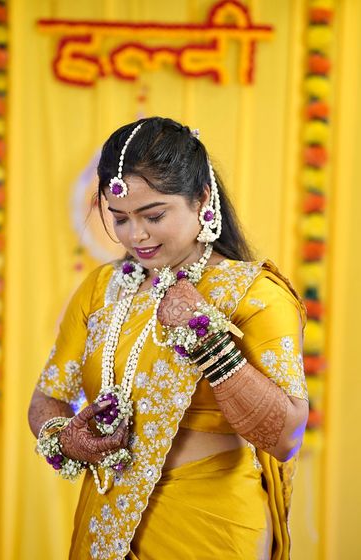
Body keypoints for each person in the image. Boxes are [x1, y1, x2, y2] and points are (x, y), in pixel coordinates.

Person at [28, 117, 308, 560]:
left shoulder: (252, 294)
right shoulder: (103, 289)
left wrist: (206, 336)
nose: (135, 235)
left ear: (202, 199)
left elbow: (285, 435)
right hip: (106, 522)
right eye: (118, 218)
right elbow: (47, 399)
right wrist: (67, 439)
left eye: (153, 215)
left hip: (211, 527)